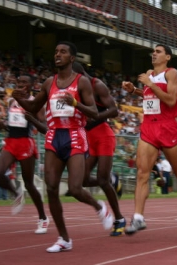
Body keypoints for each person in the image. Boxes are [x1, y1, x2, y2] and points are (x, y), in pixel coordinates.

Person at [12, 41, 113, 253]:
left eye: (63, 52)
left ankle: (100, 207)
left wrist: (74, 104)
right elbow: (33, 106)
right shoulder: (49, 82)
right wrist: (20, 99)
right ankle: (64, 238)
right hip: (54, 136)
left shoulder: (82, 82)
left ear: (72, 58)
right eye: (56, 51)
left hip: (75, 134)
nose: (58, 54)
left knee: (76, 188)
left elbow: (94, 113)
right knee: (51, 188)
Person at [121, 44, 177, 235]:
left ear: (167, 57)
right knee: (142, 173)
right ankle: (138, 218)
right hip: (149, 127)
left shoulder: (171, 73)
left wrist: (150, 84)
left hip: (167, 126)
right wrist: (134, 89)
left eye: (158, 51)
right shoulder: (148, 73)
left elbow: (170, 100)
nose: (154, 53)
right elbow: (150, 96)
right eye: (153, 51)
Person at [72, 62, 126, 237]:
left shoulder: (97, 85)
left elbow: (114, 111)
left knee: (102, 181)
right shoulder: (76, 91)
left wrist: (94, 118)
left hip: (103, 136)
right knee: (83, 181)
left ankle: (119, 219)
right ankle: (112, 179)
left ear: (79, 74)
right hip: (89, 138)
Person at [0, 74, 49, 235]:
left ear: (31, 86)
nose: (21, 85)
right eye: (19, 82)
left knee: (29, 183)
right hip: (11, 141)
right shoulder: (12, 101)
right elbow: (9, 123)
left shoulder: (36, 103)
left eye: (25, 82)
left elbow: (44, 128)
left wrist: (31, 119)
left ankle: (43, 218)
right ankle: (16, 193)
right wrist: (2, 124)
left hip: (26, 142)